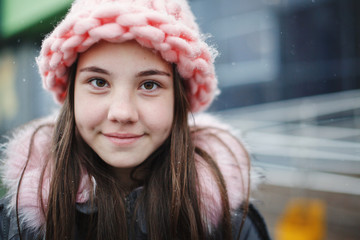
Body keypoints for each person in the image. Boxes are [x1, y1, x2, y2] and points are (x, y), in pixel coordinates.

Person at [0, 0, 271, 239]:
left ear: (179, 100)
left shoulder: (231, 227)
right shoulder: (18, 225)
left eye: (150, 85)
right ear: (71, 94)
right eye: (98, 81)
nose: (122, 113)